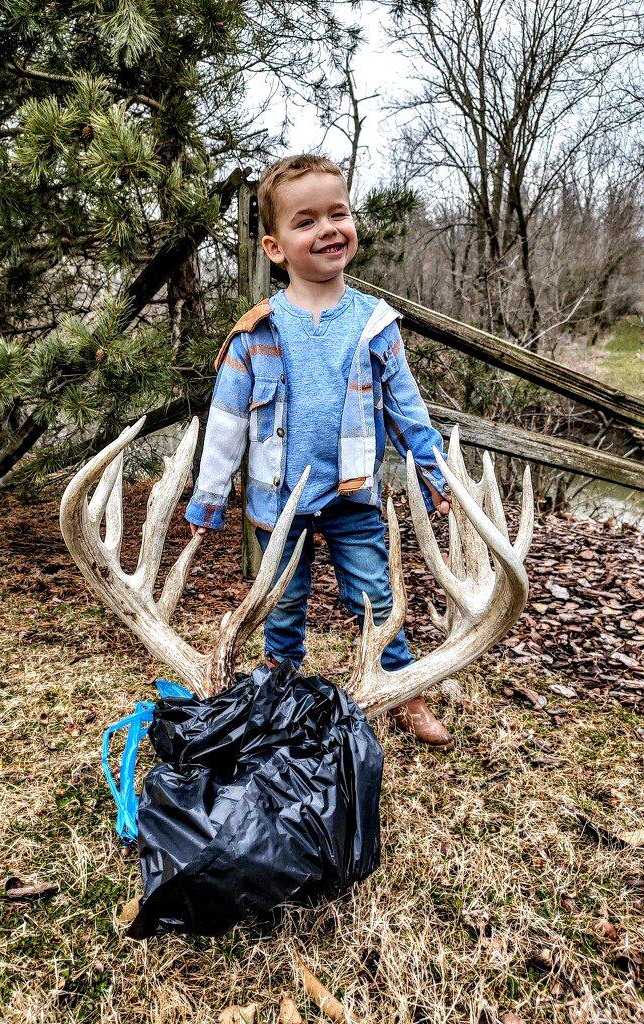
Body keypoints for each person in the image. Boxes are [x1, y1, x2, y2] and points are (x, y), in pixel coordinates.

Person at [184, 153, 454, 750]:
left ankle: (402, 690)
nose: (328, 229)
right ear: (275, 247)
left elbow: (406, 408)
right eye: (305, 222)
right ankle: (277, 688)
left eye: (340, 213)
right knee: (280, 605)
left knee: (376, 598)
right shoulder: (255, 331)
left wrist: (435, 476)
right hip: (276, 505)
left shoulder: (375, 324)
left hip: (353, 495)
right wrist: (207, 501)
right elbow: (226, 426)